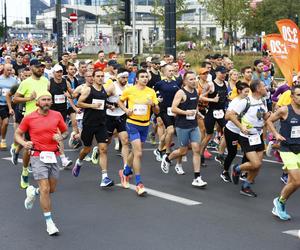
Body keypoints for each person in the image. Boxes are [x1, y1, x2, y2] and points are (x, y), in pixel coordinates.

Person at [15, 91, 68, 236]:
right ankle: (49, 223)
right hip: (37, 155)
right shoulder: (29, 117)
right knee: (45, 188)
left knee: (51, 189)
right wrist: (24, 143)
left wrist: (61, 136)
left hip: (53, 155)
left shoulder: (57, 115)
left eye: (49, 99)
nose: (46, 102)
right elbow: (17, 134)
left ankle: (33, 192)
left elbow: (65, 131)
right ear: (38, 102)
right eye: (43, 99)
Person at [161, 71, 207, 187]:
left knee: (196, 148)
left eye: (194, 79)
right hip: (182, 126)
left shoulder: (196, 91)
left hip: (193, 125)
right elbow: (173, 109)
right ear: (185, 81)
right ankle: (167, 159)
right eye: (190, 79)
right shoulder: (181, 93)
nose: (194, 81)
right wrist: (186, 112)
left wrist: (197, 113)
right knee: (183, 151)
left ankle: (197, 177)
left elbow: (195, 105)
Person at [118, 69, 159, 196]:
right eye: (142, 76)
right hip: (132, 124)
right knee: (139, 153)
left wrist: (153, 104)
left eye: (146, 77)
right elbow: (119, 101)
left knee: (134, 152)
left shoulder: (151, 92)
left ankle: (125, 173)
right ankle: (139, 183)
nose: (145, 79)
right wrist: (125, 110)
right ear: (137, 78)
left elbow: (157, 111)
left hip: (145, 125)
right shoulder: (130, 90)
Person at [72, 69, 115, 187]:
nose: (100, 78)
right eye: (98, 76)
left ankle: (104, 178)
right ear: (94, 78)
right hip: (88, 124)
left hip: (101, 124)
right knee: (87, 149)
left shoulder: (104, 91)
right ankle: (79, 162)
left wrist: (109, 106)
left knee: (103, 149)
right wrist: (92, 105)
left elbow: (102, 102)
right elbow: (79, 103)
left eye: (102, 76)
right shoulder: (88, 90)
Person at [229, 80, 269, 197]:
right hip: (247, 137)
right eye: (263, 86)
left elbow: (263, 115)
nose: (265, 87)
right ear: (257, 89)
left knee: (259, 164)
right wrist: (241, 126)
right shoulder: (245, 101)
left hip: (258, 135)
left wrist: (272, 115)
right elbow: (230, 115)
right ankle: (237, 168)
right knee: (255, 164)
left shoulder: (262, 100)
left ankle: (246, 186)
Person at [13, 59, 49, 189]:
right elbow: (15, 99)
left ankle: (41, 169)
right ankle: (25, 171)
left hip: (45, 118)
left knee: (45, 144)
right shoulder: (25, 82)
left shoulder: (46, 80)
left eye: (42, 67)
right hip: (31, 118)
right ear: (31, 67)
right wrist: (29, 98)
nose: (41, 69)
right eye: (38, 67)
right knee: (29, 147)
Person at [266, 85, 300, 220]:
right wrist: (275, 134)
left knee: (292, 182)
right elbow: (268, 120)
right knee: (297, 181)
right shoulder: (285, 110)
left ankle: (280, 203)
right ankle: (279, 202)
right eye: (298, 95)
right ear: (292, 97)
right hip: (287, 149)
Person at [222, 82, 250, 182]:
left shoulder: (248, 101)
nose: (247, 93)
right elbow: (227, 116)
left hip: (243, 132)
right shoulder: (235, 102)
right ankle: (225, 172)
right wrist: (239, 122)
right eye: (246, 91)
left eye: (248, 91)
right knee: (232, 153)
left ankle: (242, 172)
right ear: (239, 91)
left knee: (247, 152)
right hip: (232, 131)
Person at [0, 63, 18, 149]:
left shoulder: (14, 80)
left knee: (4, 124)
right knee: (6, 122)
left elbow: (15, 91)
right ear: (4, 70)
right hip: (1, 103)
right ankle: (3, 140)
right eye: (8, 70)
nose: (9, 72)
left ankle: (2, 138)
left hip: (10, 104)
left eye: (10, 70)